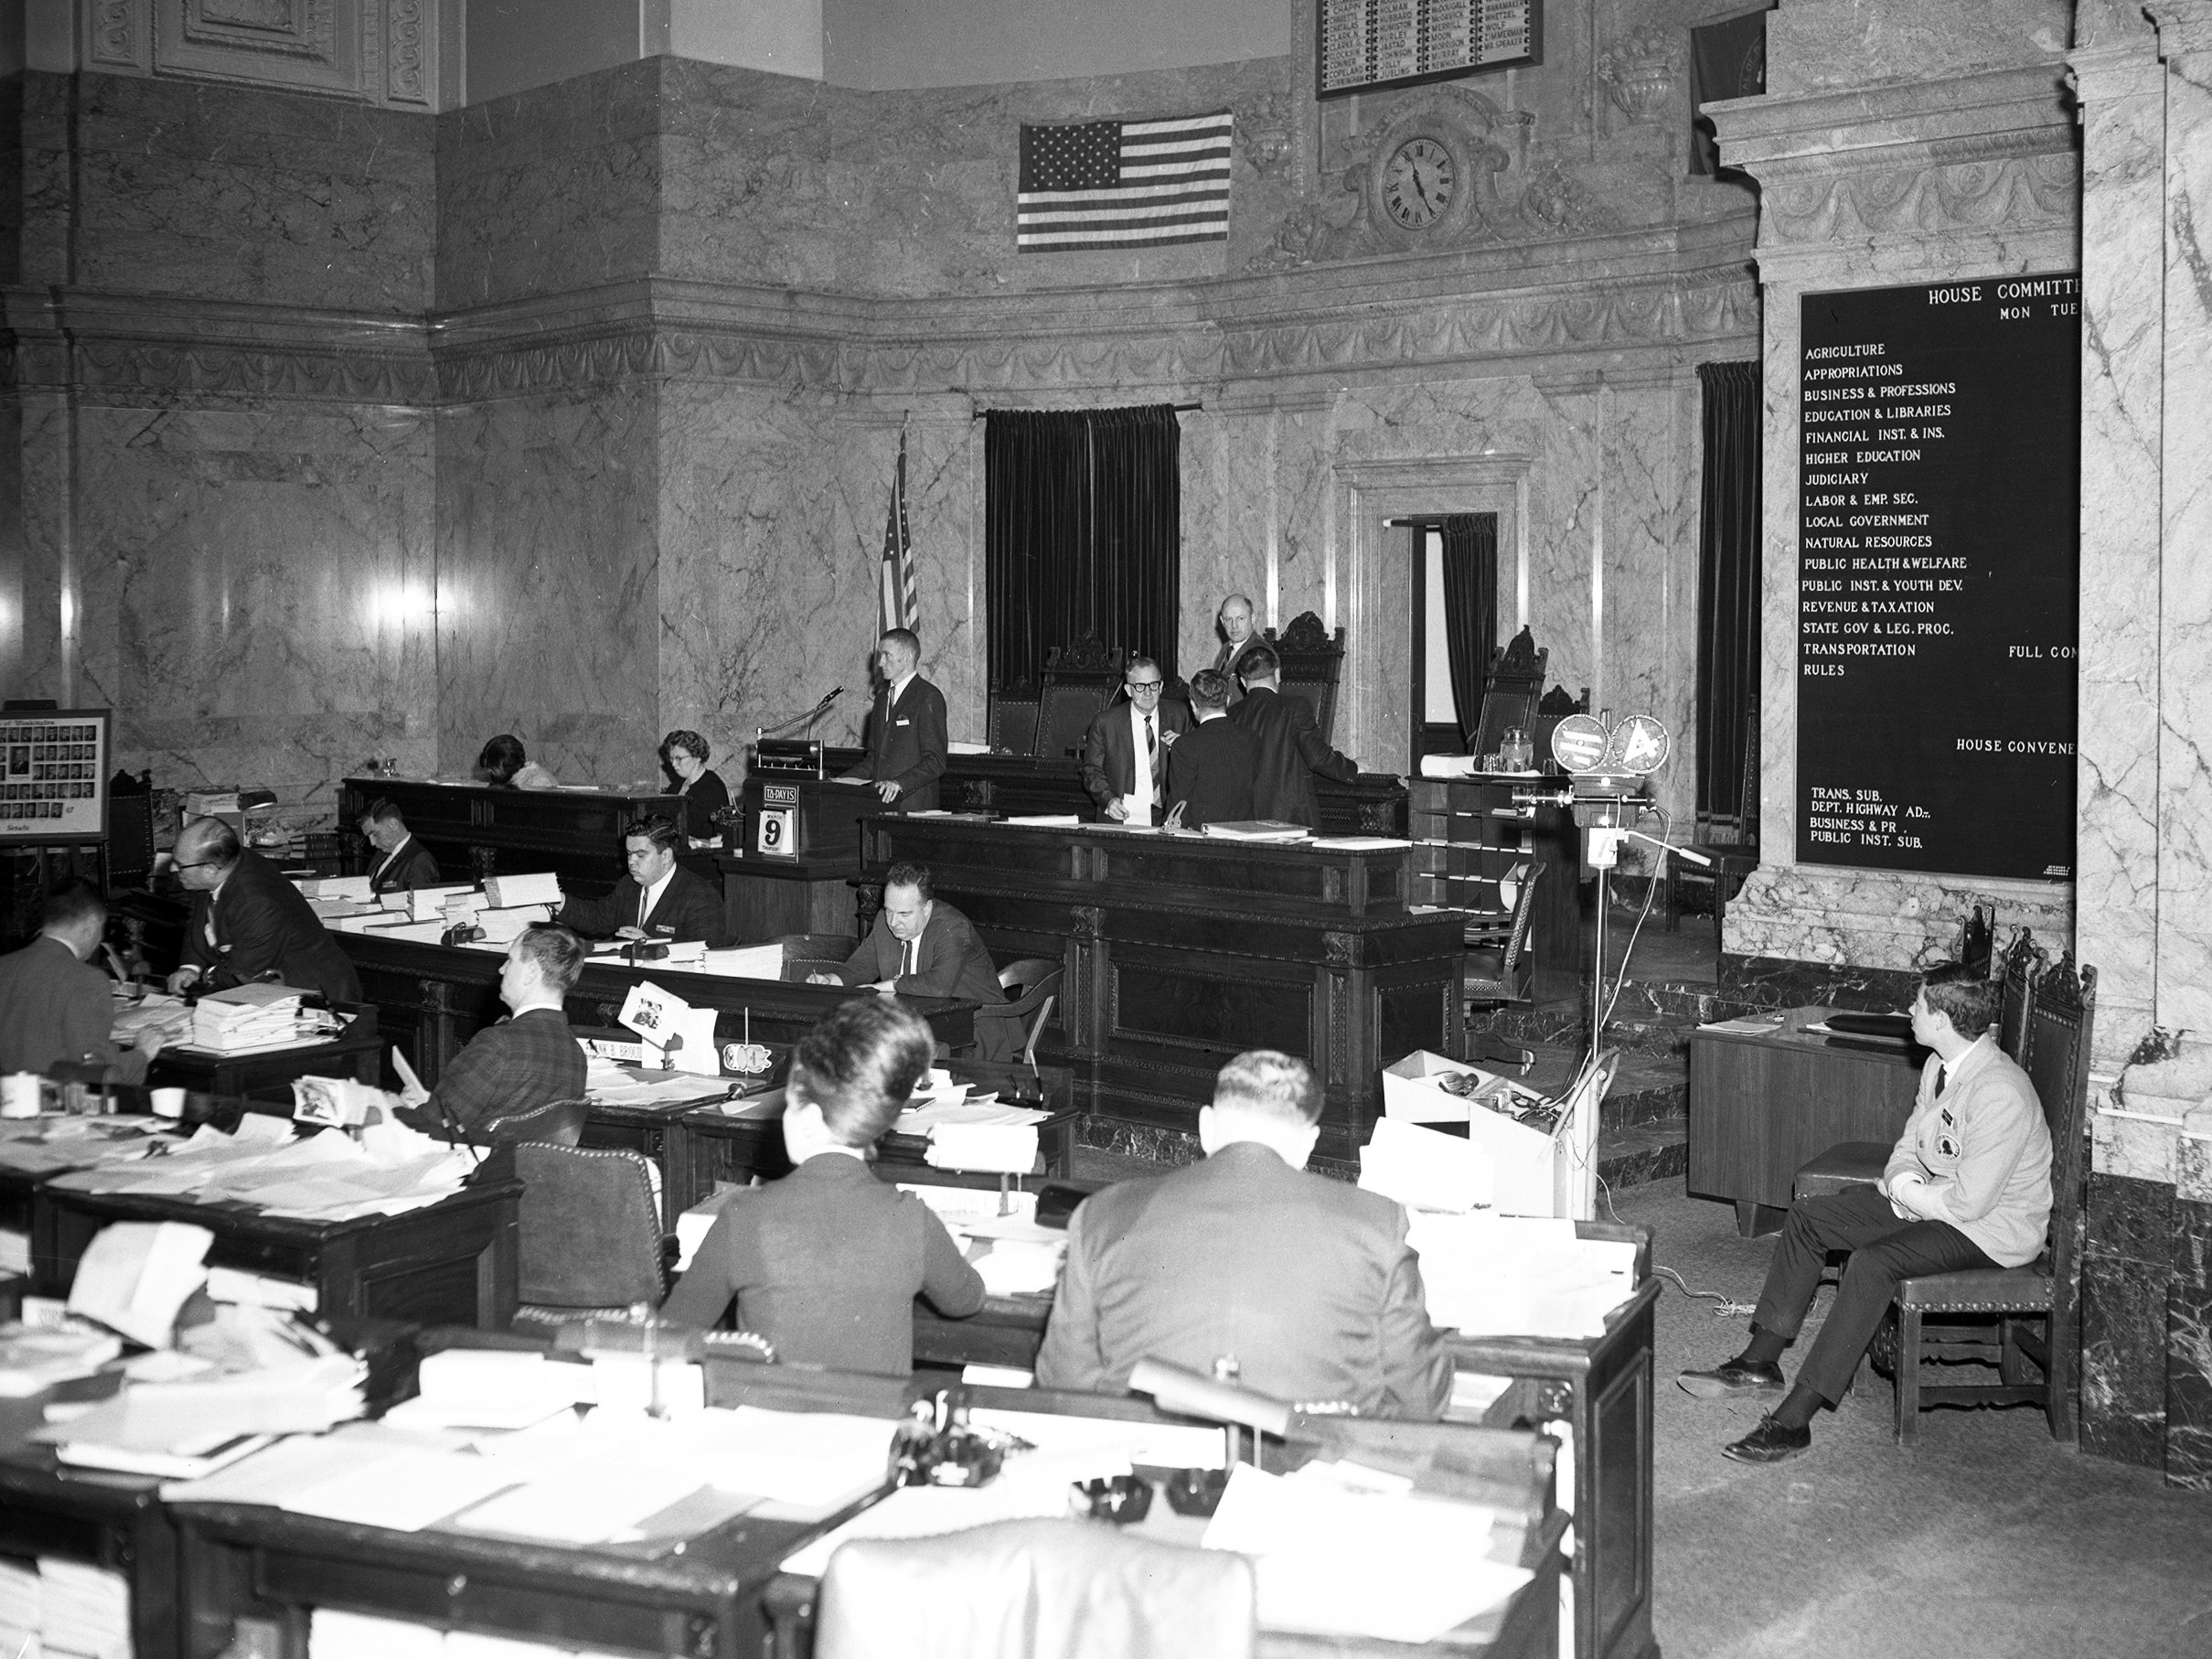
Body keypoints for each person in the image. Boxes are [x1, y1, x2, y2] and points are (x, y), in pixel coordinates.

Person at [1678, 964, 2052, 1464]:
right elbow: (1910, 1143)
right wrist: (1902, 1182)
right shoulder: (1941, 1065)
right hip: (1937, 1202)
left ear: (1942, 1019)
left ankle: (1794, 1420)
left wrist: (1904, 1194)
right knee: (1810, 1218)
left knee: (1875, 1261)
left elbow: (1970, 1205)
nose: (1910, 1013)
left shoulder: (1999, 1091)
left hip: (1992, 1231)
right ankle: (1759, 1362)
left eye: (1918, 1005)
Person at [1035, 1049, 1454, 1418]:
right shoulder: (1377, 1223)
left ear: (1206, 1126)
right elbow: (1421, 1400)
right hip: (1313, 1476)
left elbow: (1064, 1382)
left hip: (1145, 1468)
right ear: (1309, 1144)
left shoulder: (1102, 1215)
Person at [657, 998, 985, 1373]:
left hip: (764, 1424)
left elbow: (672, 1335)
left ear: (809, 1119)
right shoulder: (912, 1217)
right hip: (875, 1427)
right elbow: (967, 1300)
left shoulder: (743, 1216)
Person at [807, 862, 1019, 1063]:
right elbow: (861, 966)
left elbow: (939, 986)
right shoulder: (885, 920)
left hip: (973, 1033)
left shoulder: (953, 927)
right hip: (916, 1028)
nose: (893, 922)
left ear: (927, 908)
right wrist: (832, 979)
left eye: (904, 914)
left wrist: (888, 985)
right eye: (889, 910)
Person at [398, 922, 588, 1139]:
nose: (501, 969)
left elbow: (434, 1125)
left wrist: (392, 1108)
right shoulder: (576, 1054)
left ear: (531, 973)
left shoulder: (498, 1044)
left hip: (478, 1168)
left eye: (510, 960)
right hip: (527, 1168)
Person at [166, 819, 363, 1002]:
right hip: (269, 989)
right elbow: (198, 921)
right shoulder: (223, 861)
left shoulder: (256, 902)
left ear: (210, 868)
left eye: (181, 866)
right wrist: (189, 967)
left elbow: (243, 973)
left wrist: (202, 977)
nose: (173, 869)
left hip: (316, 998)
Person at [0, 880, 163, 1083]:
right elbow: (96, 1071)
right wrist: (143, 1053)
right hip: (55, 1104)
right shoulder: (86, 979)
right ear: (91, 924)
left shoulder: (4, 965)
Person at [1227, 642, 1359, 830]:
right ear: (1278, 674)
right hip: (1291, 820)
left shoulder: (1232, 714)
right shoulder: (1295, 707)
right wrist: (1353, 768)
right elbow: (1318, 758)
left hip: (1244, 822)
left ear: (1242, 681)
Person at [557, 814, 727, 947]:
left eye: (640, 855)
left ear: (666, 856)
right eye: (629, 854)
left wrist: (651, 945)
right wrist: (558, 900)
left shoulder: (700, 896)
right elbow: (598, 918)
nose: (631, 862)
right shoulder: (629, 884)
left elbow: (705, 954)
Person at [844, 628, 946, 810]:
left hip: (912, 807)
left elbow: (935, 762)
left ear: (907, 657)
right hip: (879, 804)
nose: (880, 662)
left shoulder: (928, 696)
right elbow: (874, 760)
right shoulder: (882, 700)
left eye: (886, 655)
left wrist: (899, 783)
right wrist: (839, 781)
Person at [1079, 655, 1188, 825]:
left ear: (1161, 687)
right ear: (1128, 690)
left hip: (1170, 816)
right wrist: (1108, 800)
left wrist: (1184, 746)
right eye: (1139, 686)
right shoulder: (1106, 722)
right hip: (1124, 814)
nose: (1147, 692)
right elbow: (1092, 770)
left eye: (1153, 685)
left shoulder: (1180, 715)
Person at [1165, 669, 1260, 829]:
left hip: (1201, 840)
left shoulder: (1185, 745)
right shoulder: (1252, 739)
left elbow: (1178, 804)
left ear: (1193, 704)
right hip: (1244, 836)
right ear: (1228, 700)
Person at [357, 797, 443, 894]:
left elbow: (420, 904)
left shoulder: (419, 860)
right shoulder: (381, 853)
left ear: (393, 824)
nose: (372, 843)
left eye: (375, 834)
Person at [659, 728, 730, 847]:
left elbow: (685, 826)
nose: (673, 764)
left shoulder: (712, 788)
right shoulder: (676, 786)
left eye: (679, 759)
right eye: (671, 759)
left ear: (697, 758)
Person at [1210, 593, 1260, 705]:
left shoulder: (1260, 651)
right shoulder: (1226, 648)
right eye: (1228, 619)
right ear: (1222, 621)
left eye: (1240, 618)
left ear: (1253, 619)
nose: (1234, 626)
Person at [478, 733, 559, 790]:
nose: (488, 771)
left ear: (510, 764)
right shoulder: (505, 777)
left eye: (493, 768)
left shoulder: (540, 783)